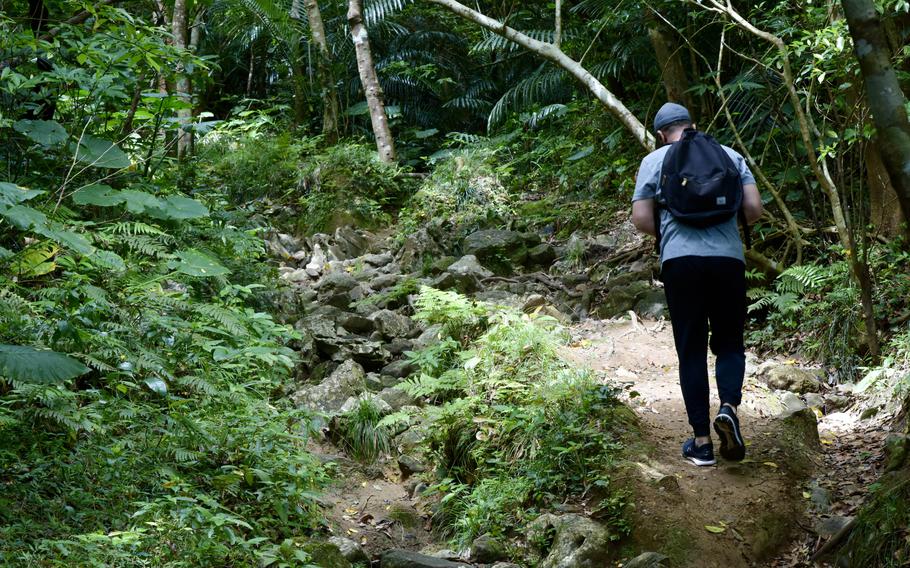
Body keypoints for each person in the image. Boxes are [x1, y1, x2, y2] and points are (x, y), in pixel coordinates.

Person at [631, 102, 763, 466]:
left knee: (691, 349)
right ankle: (729, 409)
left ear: (661, 134)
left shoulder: (654, 162)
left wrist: (671, 228)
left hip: (680, 262)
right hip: (727, 260)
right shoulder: (729, 155)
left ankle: (702, 443)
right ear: (693, 124)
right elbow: (753, 209)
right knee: (730, 343)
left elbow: (641, 218)